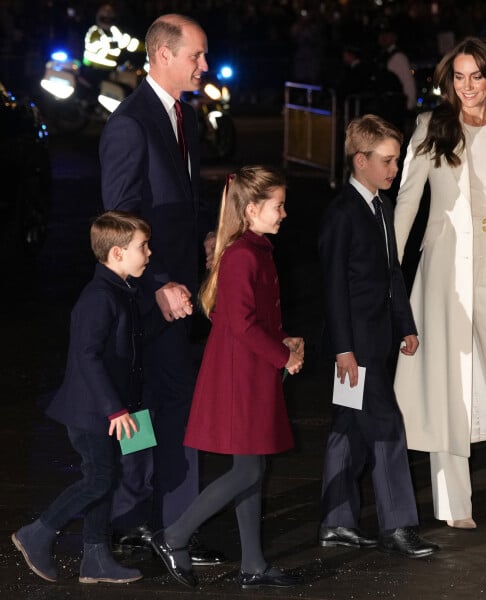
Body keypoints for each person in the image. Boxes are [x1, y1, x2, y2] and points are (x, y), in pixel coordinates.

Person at [393, 36, 486, 529]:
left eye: (474, 76)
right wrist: (386, 272)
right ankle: (454, 504)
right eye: (458, 77)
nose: (466, 86)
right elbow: (407, 205)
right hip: (444, 272)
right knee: (449, 382)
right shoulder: (430, 126)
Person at [99, 14, 223, 565]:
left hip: (177, 293)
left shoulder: (183, 117)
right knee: (145, 412)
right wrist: (156, 284)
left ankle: (168, 524)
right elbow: (118, 225)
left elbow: (176, 202)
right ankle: (139, 523)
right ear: (163, 55)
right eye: (196, 55)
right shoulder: (131, 123)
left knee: (168, 408)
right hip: (146, 300)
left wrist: (203, 237)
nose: (204, 65)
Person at [150, 166, 305, 589]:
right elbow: (240, 322)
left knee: (250, 468)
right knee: (248, 472)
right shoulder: (242, 254)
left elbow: (251, 315)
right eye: (278, 206)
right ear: (252, 209)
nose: (284, 214)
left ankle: (253, 563)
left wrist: (285, 341)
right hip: (241, 375)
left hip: (248, 369)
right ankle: (175, 535)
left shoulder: (250, 250)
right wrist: (282, 357)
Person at [11, 211, 160, 585]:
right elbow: (86, 356)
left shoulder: (123, 290)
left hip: (121, 408)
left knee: (112, 477)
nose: (149, 253)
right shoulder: (98, 297)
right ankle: (37, 532)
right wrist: (115, 409)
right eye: (143, 246)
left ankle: (95, 557)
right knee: (98, 479)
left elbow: (129, 345)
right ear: (116, 254)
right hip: (95, 412)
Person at [318, 114, 439, 558]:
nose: (394, 169)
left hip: (378, 339)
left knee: (347, 427)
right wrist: (343, 349)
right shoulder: (342, 214)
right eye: (387, 161)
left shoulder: (381, 207)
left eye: (397, 160)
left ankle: (336, 521)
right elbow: (331, 288)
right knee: (387, 428)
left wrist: (405, 325)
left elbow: (392, 274)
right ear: (361, 160)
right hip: (356, 347)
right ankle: (398, 524)